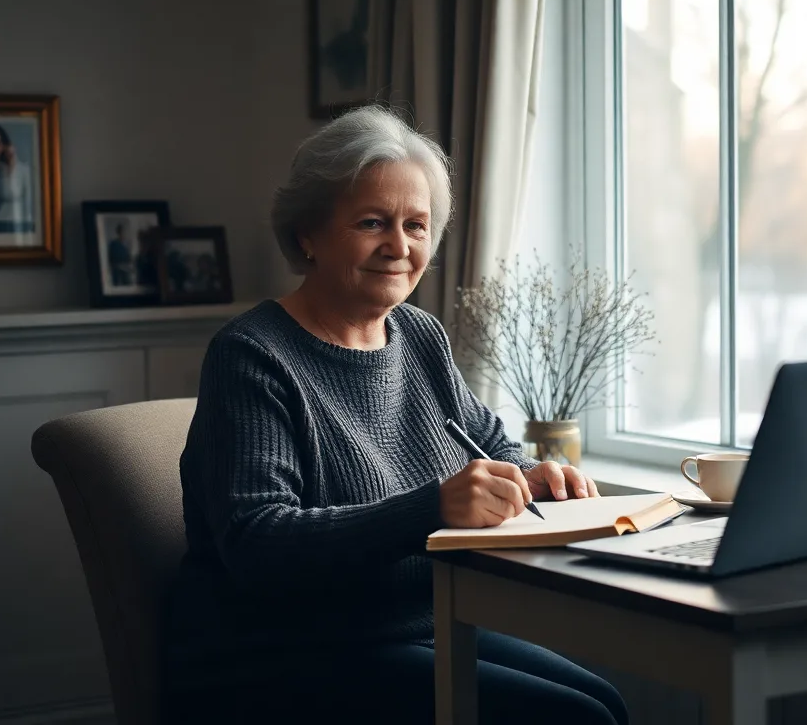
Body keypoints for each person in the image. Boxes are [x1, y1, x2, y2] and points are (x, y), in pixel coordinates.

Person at [165, 105, 628, 725]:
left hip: (416, 626)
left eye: (416, 225)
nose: (399, 246)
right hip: (280, 654)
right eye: (372, 222)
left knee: (606, 703)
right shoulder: (251, 356)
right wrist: (432, 506)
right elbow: (256, 541)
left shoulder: (418, 337)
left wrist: (531, 474)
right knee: (576, 720)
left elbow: (487, 444)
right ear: (309, 234)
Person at [0, 142, 34, 233]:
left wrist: (28, 220)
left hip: (20, 218)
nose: (9, 155)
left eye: (11, 152)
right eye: (6, 152)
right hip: (1, 218)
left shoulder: (24, 169)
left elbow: (28, 197)